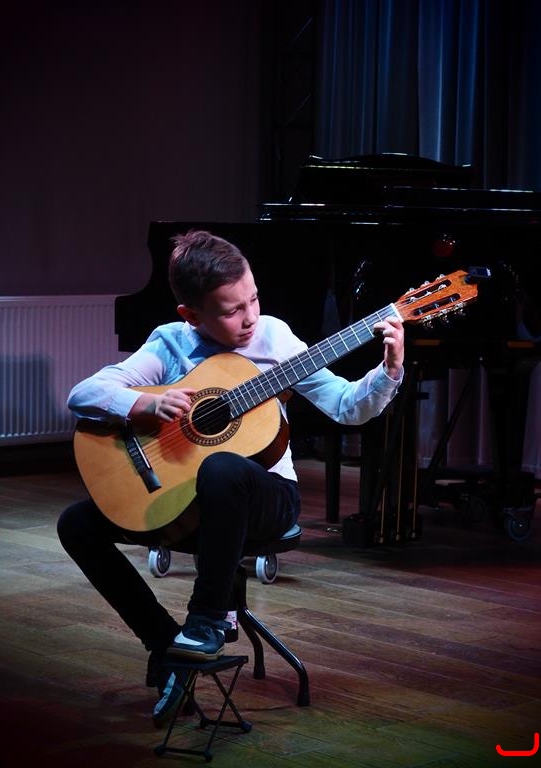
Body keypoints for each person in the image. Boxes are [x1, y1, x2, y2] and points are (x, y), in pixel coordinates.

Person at [57, 229, 405, 723]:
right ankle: (166, 646)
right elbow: (83, 394)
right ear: (191, 316)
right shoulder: (171, 342)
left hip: (266, 497)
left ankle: (204, 622)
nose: (250, 318)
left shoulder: (276, 339)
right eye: (230, 310)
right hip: (188, 506)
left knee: (223, 468)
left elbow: (347, 407)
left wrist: (389, 370)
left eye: (254, 299)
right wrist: (145, 404)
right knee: (76, 524)